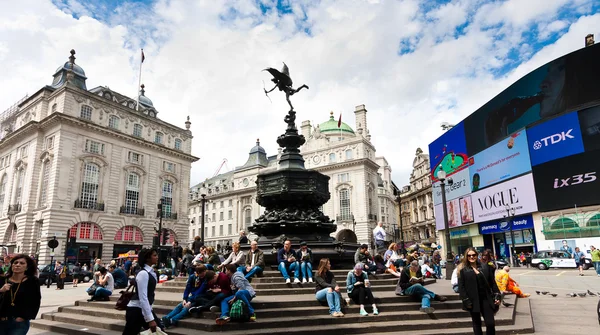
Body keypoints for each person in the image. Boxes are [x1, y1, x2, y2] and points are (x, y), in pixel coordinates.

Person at [458, 247, 501, 335]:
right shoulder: (463, 271)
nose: (471, 257)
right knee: (477, 324)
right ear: (466, 257)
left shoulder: (485, 267)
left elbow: (493, 283)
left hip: (486, 299)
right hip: (473, 301)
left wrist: (497, 295)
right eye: (469, 255)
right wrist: (466, 300)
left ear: (477, 255)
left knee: (490, 323)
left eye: (473, 255)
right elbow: (461, 288)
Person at [122, 248, 161, 335]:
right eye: (154, 255)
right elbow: (143, 297)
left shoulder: (150, 272)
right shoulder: (143, 273)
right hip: (136, 309)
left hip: (143, 309)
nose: (157, 257)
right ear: (147, 258)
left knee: (159, 331)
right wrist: (150, 319)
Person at [0, 254, 42, 335]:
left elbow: (35, 301)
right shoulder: (3, 280)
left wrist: (24, 317)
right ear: (11, 265)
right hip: (2, 321)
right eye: (15, 263)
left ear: (27, 267)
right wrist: (1, 290)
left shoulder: (32, 281)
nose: (18, 265)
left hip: (19, 323)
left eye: (22, 263)